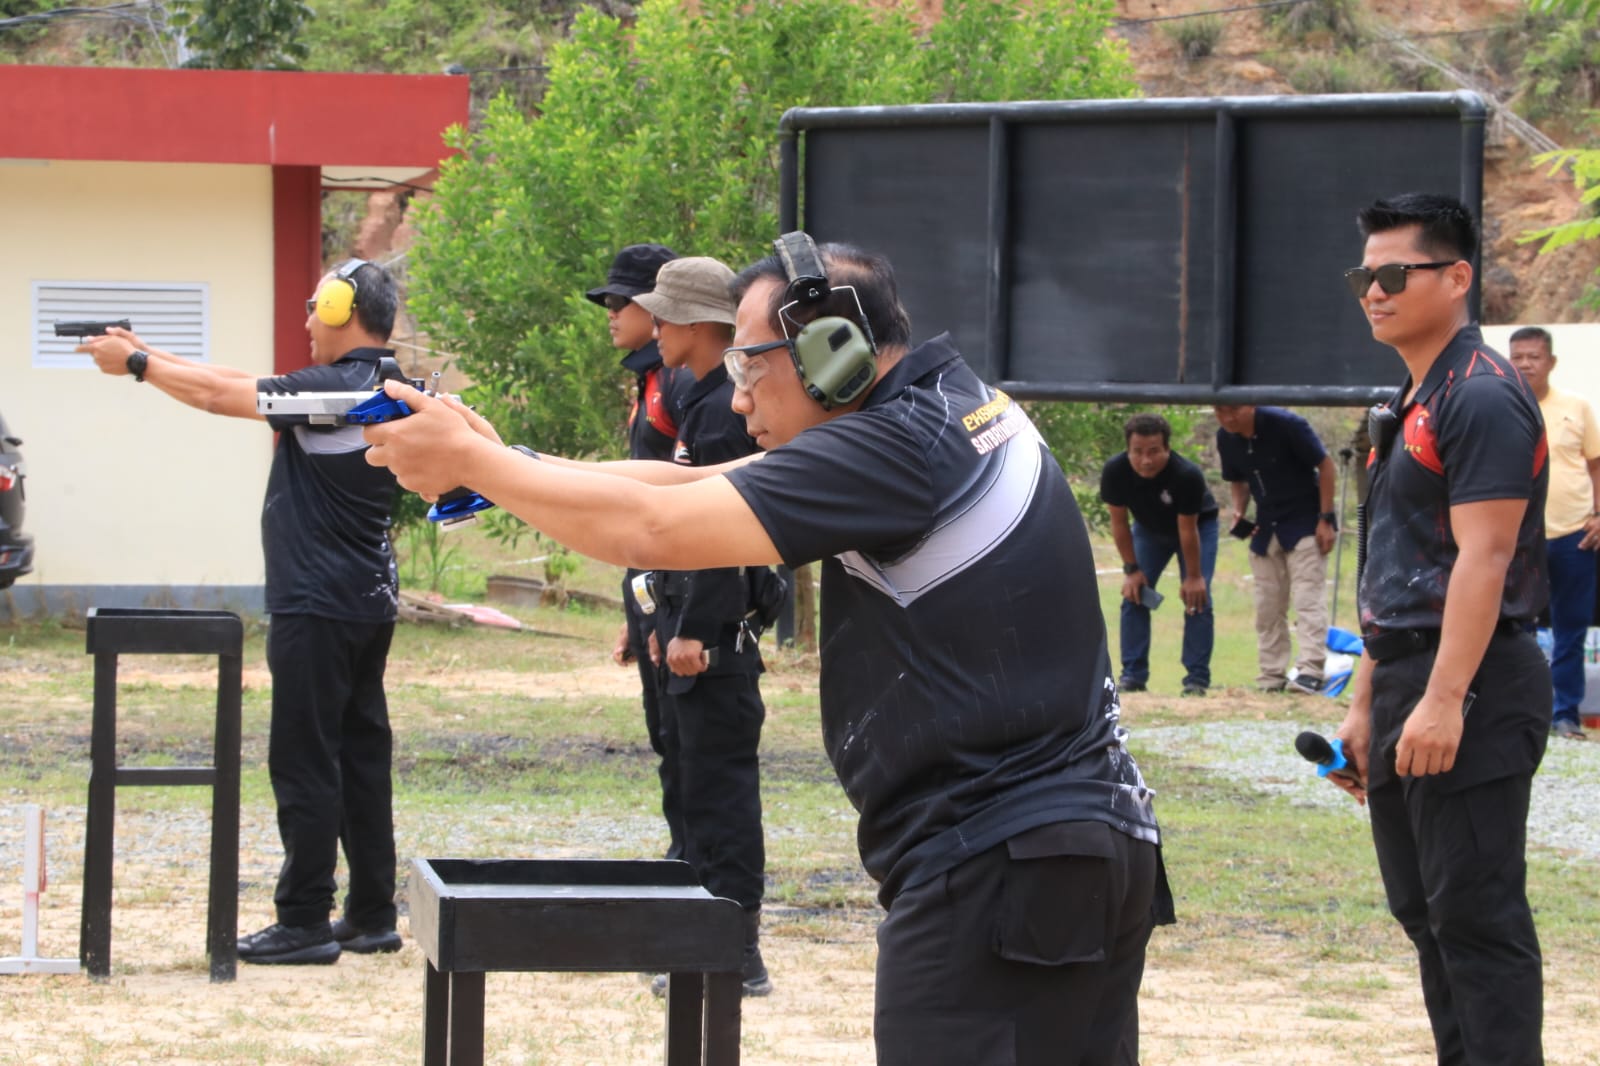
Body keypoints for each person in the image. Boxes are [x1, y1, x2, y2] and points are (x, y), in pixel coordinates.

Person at [361, 237, 1172, 1065]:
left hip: (999, 863)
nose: (740, 398)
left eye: (750, 366)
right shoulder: (948, 412)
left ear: (833, 350)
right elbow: (696, 486)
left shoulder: (898, 448)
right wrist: (505, 465)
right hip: (1067, 853)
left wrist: (478, 465)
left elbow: (655, 530)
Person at [78, 259, 405, 964]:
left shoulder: (334, 389)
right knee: (359, 754)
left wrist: (136, 364)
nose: (307, 320)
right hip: (363, 601)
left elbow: (218, 399)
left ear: (346, 309)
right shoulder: (371, 384)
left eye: (316, 307)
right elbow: (232, 379)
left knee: (305, 758)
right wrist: (148, 351)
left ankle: (305, 919)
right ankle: (373, 912)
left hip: (317, 603)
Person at [1331, 192, 1549, 1065]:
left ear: (1456, 279)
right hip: (1410, 678)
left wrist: (1446, 699)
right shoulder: (1411, 395)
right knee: (1425, 911)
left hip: (1474, 681)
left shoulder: (1483, 394)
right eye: (1363, 276)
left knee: (1477, 914)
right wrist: (1365, 702)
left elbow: (1483, 561)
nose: (1373, 292)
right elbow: (1396, 573)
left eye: (1393, 274)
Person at [633, 256, 775, 997]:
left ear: (695, 323)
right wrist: (666, 616)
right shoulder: (703, 397)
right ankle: (702, 938)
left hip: (716, 644)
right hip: (694, 629)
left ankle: (736, 951)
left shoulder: (725, 408)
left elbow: (723, 534)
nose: (652, 328)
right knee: (694, 791)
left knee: (718, 795)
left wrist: (696, 628)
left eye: (661, 315)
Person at [585, 242, 694, 859]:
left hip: (682, 595)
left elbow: (687, 506)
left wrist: (676, 616)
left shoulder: (680, 382)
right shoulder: (651, 379)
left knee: (687, 748)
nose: (610, 311)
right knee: (666, 741)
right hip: (653, 591)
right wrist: (636, 613)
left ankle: (692, 868)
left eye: (621, 301)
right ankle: (680, 861)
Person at [1508, 325, 1600, 740]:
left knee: (1570, 629)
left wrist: (1599, 514)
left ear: (1551, 362)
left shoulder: (1576, 407)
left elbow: (1596, 464)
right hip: (1517, 536)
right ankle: (1521, 714)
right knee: (1517, 627)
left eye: (1534, 356)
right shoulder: (1501, 405)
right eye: (1518, 357)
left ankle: (1565, 715)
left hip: (1574, 537)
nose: (1526, 364)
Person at [1214, 403, 1338, 693]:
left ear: (1251, 404)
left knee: (1308, 598)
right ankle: (1271, 674)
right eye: (1220, 411)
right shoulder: (1225, 437)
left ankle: (1310, 670)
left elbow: (1326, 465)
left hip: (1305, 521)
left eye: (1234, 410)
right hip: (1266, 525)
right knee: (1267, 605)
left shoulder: (1287, 424)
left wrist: (1326, 518)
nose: (1228, 418)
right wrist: (1239, 512)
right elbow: (1237, 480)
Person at [1099, 412, 1219, 696]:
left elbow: (1187, 531)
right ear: (1128, 450)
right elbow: (1119, 523)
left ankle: (1196, 679)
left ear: (1167, 448)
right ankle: (1133, 675)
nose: (1146, 460)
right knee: (1134, 594)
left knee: (1197, 597)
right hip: (1148, 528)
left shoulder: (1186, 475)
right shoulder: (1115, 471)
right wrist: (1131, 570)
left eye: (1154, 451)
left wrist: (1193, 577)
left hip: (1197, 526)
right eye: (1137, 452)